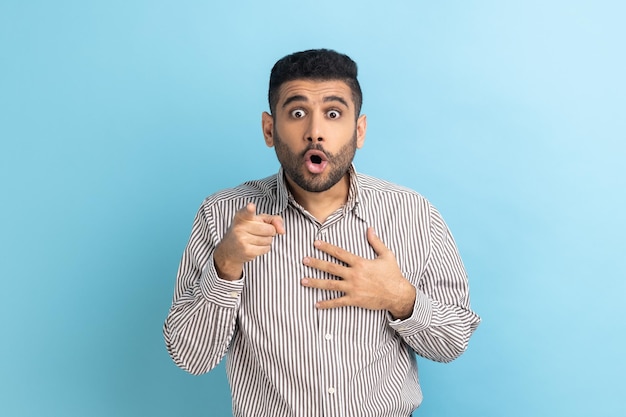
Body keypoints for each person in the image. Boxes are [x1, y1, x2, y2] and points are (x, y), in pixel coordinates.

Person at [163, 48, 480, 416]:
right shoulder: (220, 216)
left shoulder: (414, 214)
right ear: (270, 129)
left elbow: (453, 341)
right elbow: (191, 357)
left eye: (333, 114)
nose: (315, 132)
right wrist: (225, 266)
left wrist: (401, 298)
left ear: (358, 130)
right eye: (297, 113)